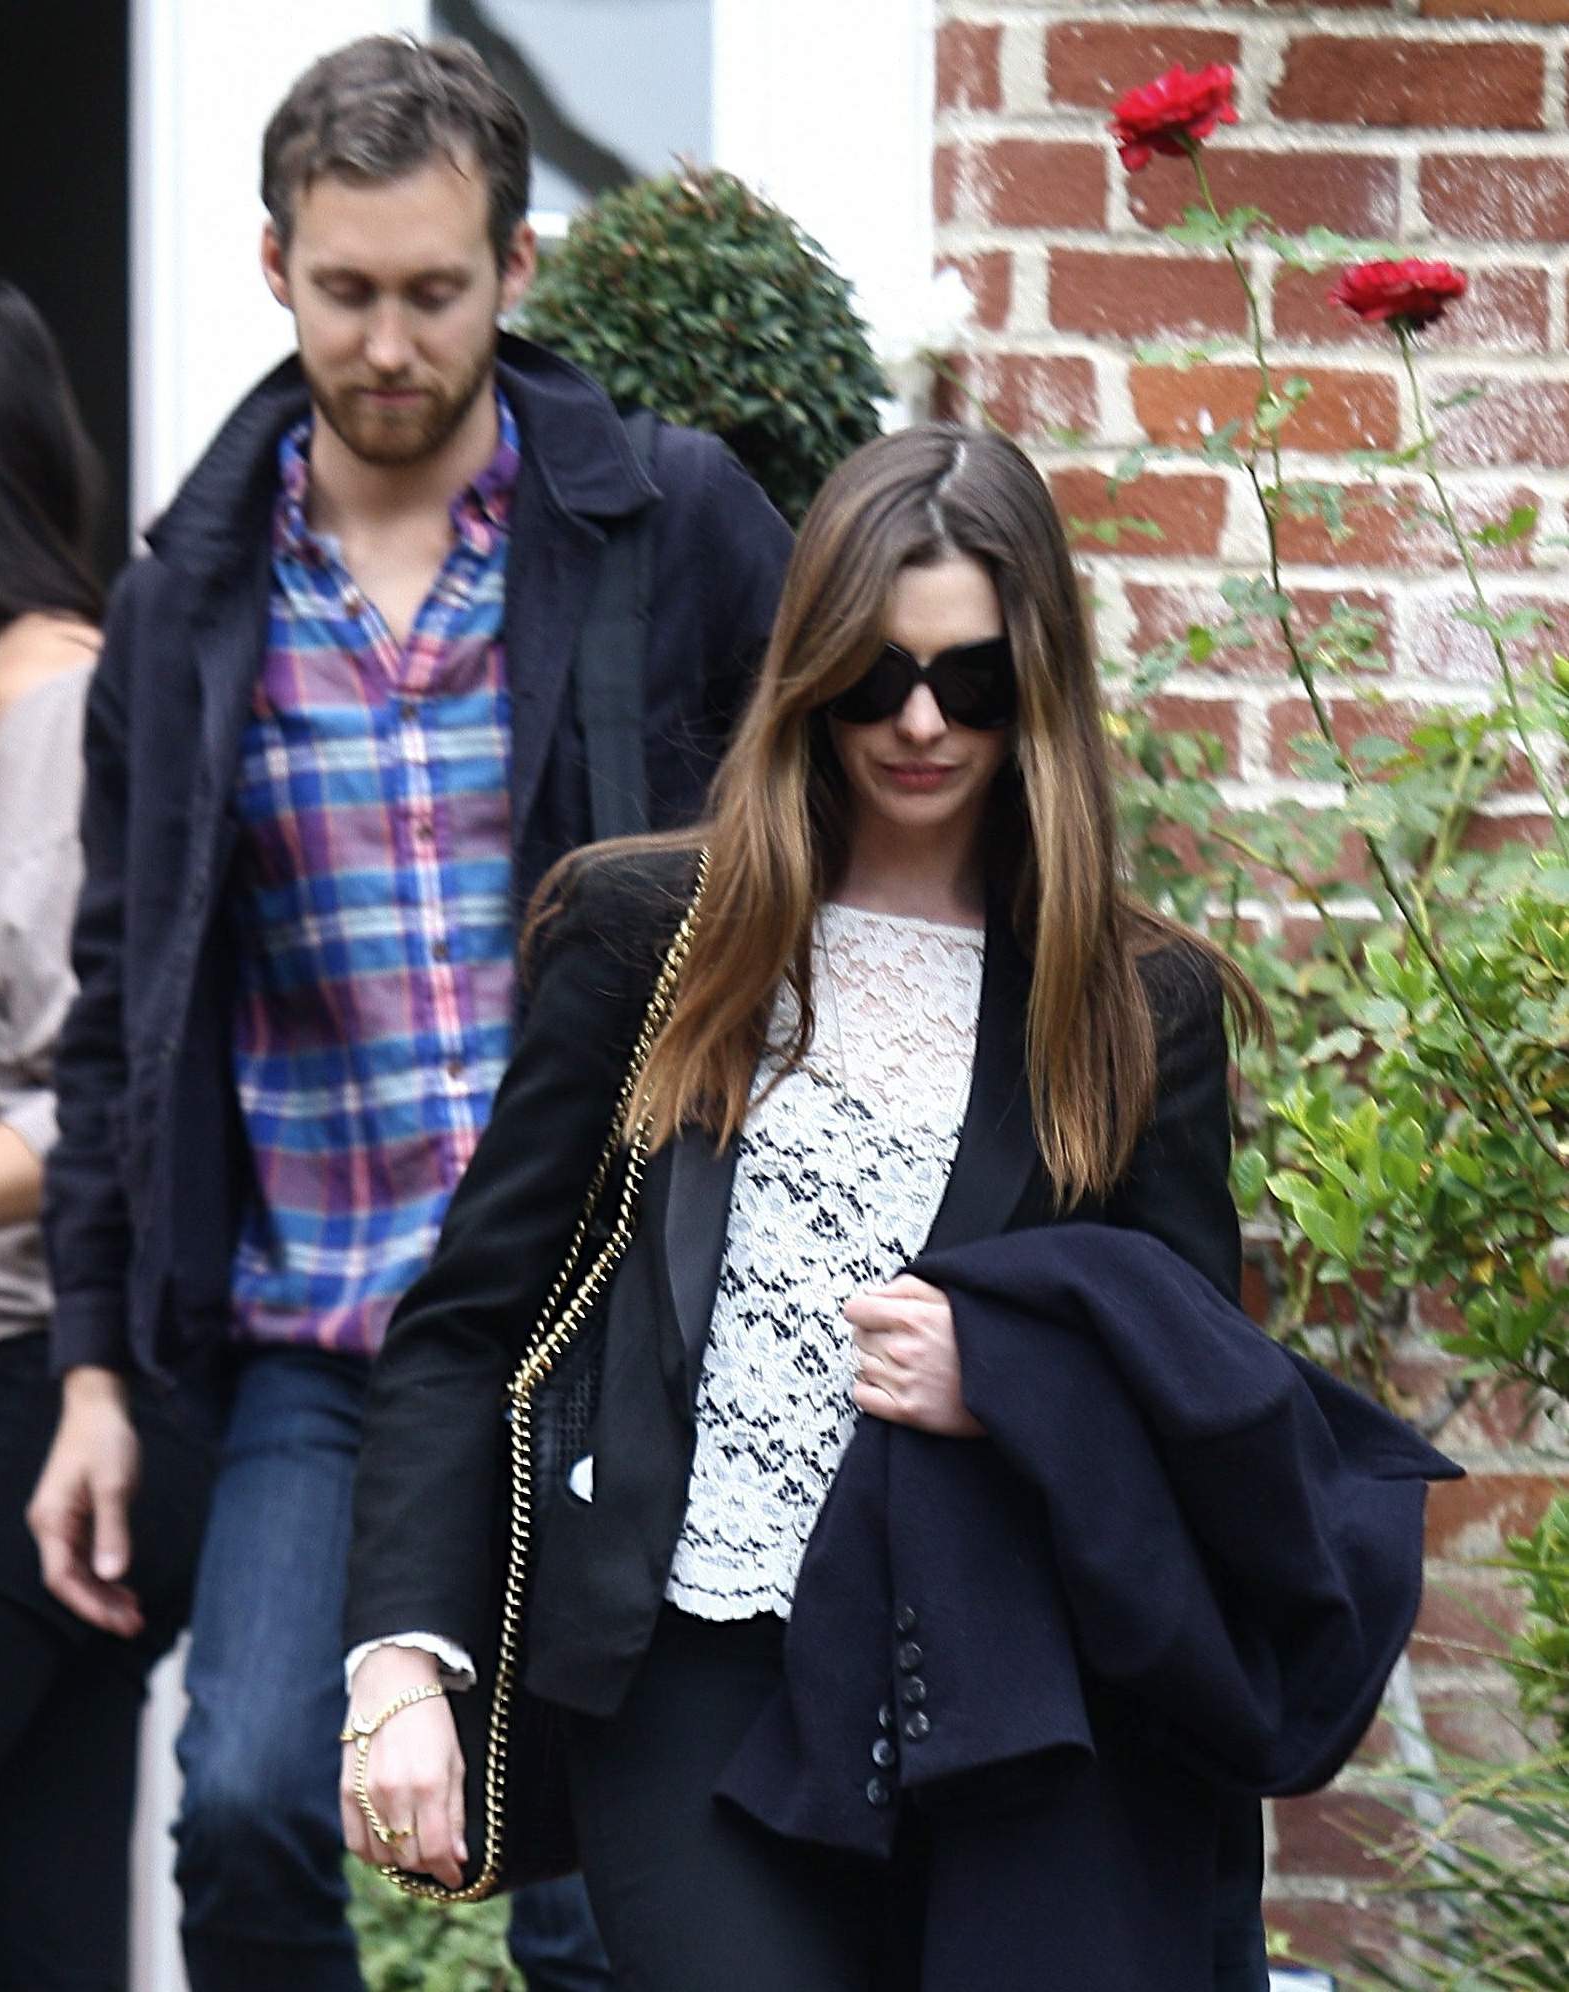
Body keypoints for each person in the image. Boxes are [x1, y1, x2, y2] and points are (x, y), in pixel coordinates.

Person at [341, 426, 1452, 1988]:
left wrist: (1006, 1376)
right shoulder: (648, 937)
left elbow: (1192, 1398)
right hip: (686, 1672)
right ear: (809, 671)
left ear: (1038, 688)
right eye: (874, 675)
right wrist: (399, 1666)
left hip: (992, 1694)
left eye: (971, 681)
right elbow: (472, 1319)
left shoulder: (1133, 1007)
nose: (919, 723)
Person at [26, 32, 791, 1992]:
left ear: (516, 268)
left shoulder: (666, 524)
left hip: (613, 1312)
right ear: (274, 267)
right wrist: (96, 1374)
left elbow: (836, 847)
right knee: (248, 1810)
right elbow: (119, 1016)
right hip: (326, 1339)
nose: (387, 342)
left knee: (599, 1896)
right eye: (346, 289)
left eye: (433, 291)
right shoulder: (187, 608)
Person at [0, 279, 212, 1992]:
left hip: (61, 1386)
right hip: (8, 1386)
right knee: (33, 1932)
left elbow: (105, 1101)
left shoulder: (59, 715)